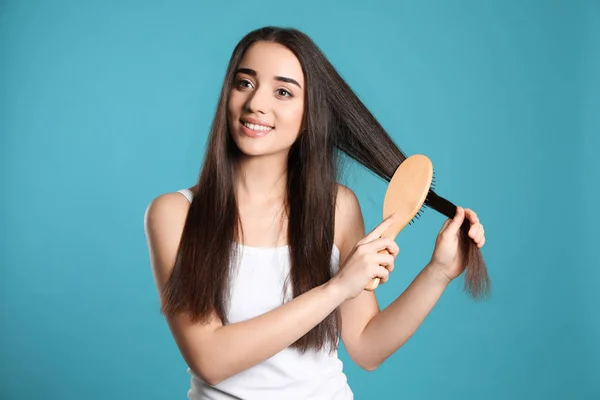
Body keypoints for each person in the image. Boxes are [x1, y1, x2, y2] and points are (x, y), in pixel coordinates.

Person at [144, 26, 486, 400]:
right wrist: (338, 287)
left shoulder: (338, 208)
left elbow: (367, 349)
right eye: (244, 83)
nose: (257, 103)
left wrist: (438, 273)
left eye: (283, 92)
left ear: (310, 113)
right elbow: (210, 358)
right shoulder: (175, 214)